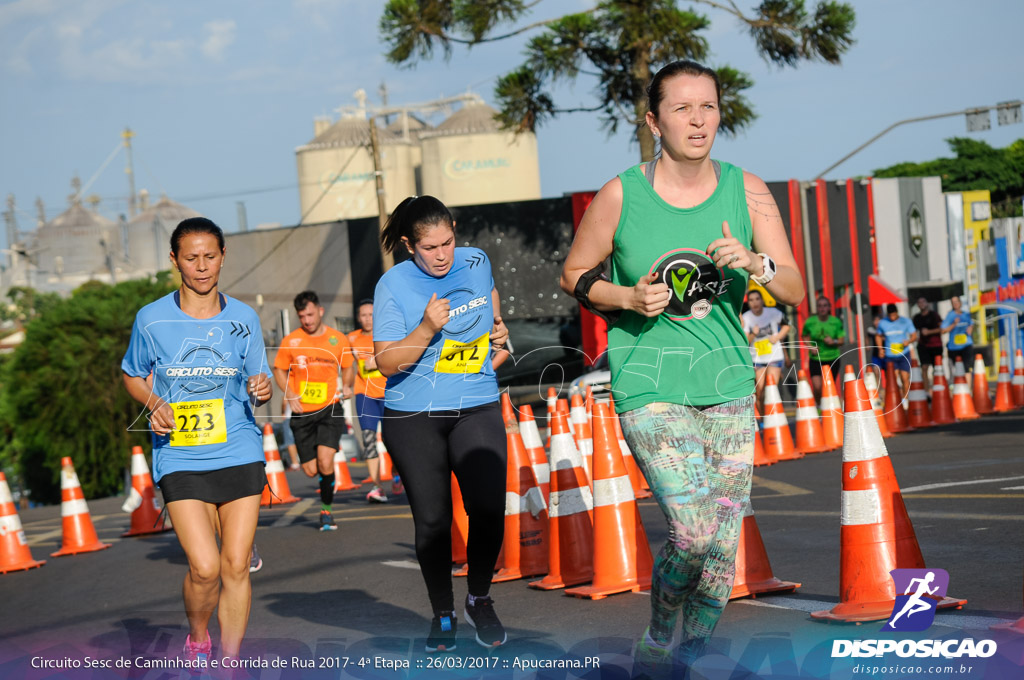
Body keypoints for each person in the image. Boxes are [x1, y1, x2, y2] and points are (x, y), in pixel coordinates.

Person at [559, 60, 804, 678]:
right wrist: (625, 298)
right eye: (682, 108)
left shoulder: (746, 190)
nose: (698, 120)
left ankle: (687, 659)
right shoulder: (622, 193)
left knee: (723, 552)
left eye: (709, 107)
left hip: (726, 382)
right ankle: (657, 639)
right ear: (654, 120)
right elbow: (574, 275)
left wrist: (756, 263)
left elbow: (795, 287)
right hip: (651, 379)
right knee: (693, 535)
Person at [122, 217, 272, 665]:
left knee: (236, 565)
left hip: (239, 446)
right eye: (191, 258)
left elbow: (257, 379)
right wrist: (153, 401)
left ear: (223, 256)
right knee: (205, 568)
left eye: (210, 256)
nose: (202, 267)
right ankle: (199, 635)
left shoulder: (244, 318)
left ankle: (229, 664)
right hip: (181, 454)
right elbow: (132, 374)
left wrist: (261, 390)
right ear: (175, 260)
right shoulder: (151, 319)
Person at [373, 195, 511, 652]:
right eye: (429, 248)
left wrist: (498, 328)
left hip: (475, 401)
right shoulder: (393, 284)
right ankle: (443, 614)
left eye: (447, 242)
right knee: (433, 522)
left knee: (489, 509)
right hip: (414, 414)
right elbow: (387, 362)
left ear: (454, 230)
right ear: (411, 245)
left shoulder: (475, 260)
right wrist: (426, 328)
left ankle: (479, 597)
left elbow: (489, 299)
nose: (441, 255)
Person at [272, 291, 354, 531]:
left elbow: (348, 367)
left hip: (330, 408)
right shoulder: (291, 341)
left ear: (320, 311)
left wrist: (347, 384)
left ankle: (326, 511)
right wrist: (289, 392)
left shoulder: (338, 339)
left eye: (309, 314)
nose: (306, 320)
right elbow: (279, 370)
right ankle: (326, 480)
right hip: (302, 413)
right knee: (310, 469)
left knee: (326, 460)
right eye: (301, 316)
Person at [347, 299, 389, 503]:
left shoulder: (386, 334)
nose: (368, 319)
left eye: (371, 314)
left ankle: (399, 474)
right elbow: (346, 364)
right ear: (358, 318)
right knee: (369, 439)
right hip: (364, 394)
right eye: (363, 315)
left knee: (394, 440)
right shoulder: (351, 338)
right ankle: (376, 486)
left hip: (389, 393)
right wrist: (346, 385)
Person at [741, 289, 790, 412]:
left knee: (771, 387)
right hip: (757, 359)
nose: (755, 302)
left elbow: (787, 325)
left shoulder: (773, 312)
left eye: (757, 299)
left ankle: (775, 417)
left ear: (762, 300)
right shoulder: (746, 317)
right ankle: (764, 421)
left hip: (775, 357)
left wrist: (778, 336)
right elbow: (745, 340)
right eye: (751, 300)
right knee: (760, 391)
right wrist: (753, 333)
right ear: (749, 303)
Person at [801, 295, 845, 400]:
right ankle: (819, 406)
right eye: (820, 306)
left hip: (832, 358)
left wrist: (833, 341)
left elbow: (841, 340)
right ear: (817, 308)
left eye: (825, 306)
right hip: (816, 359)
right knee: (817, 387)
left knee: (829, 386)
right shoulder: (810, 322)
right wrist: (811, 347)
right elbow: (804, 336)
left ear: (829, 307)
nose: (822, 308)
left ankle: (828, 408)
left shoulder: (835, 322)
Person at [878, 303, 917, 401]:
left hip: (904, 353)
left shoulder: (905, 321)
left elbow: (914, 335)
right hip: (890, 355)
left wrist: (909, 341)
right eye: (890, 316)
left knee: (905, 377)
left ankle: (906, 400)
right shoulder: (883, 323)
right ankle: (895, 400)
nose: (892, 317)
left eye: (894, 315)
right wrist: (880, 348)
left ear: (897, 313)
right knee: (892, 379)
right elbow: (878, 336)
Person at [912, 297, 943, 389]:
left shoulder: (934, 315)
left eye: (923, 302)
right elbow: (913, 331)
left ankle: (937, 387)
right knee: (924, 367)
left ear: (927, 303)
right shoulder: (916, 318)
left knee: (937, 368)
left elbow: (942, 329)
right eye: (919, 302)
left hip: (935, 345)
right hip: (923, 345)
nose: (921, 304)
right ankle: (926, 390)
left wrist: (929, 332)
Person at [942, 295, 975, 369]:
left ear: (960, 303)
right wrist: (954, 324)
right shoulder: (950, 315)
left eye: (957, 301)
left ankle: (968, 381)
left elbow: (971, 324)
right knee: (958, 370)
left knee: (967, 368)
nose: (955, 303)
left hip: (966, 345)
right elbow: (943, 330)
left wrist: (970, 328)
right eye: (953, 302)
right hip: (954, 348)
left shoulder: (966, 314)